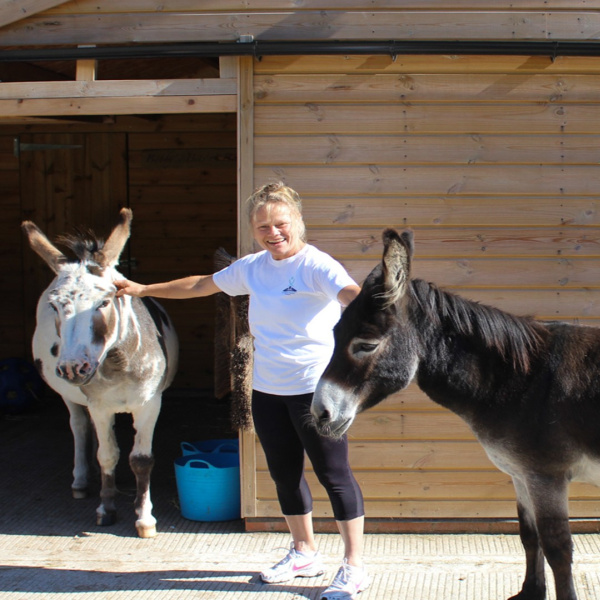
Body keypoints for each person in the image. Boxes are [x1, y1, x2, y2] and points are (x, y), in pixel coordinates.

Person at [114, 182, 370, 600]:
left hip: (315, 391)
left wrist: (367, 309)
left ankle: (354, 567)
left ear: (297, 222)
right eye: (263, 226)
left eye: (281, 224)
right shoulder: (253, 267)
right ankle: (304, 552)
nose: (273, 233)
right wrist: (143, 290)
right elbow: (200, 284)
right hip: (267, 388)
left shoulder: (316, 265)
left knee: (334, 475)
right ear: (254, 230)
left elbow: (350, 296)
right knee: (284, 474)